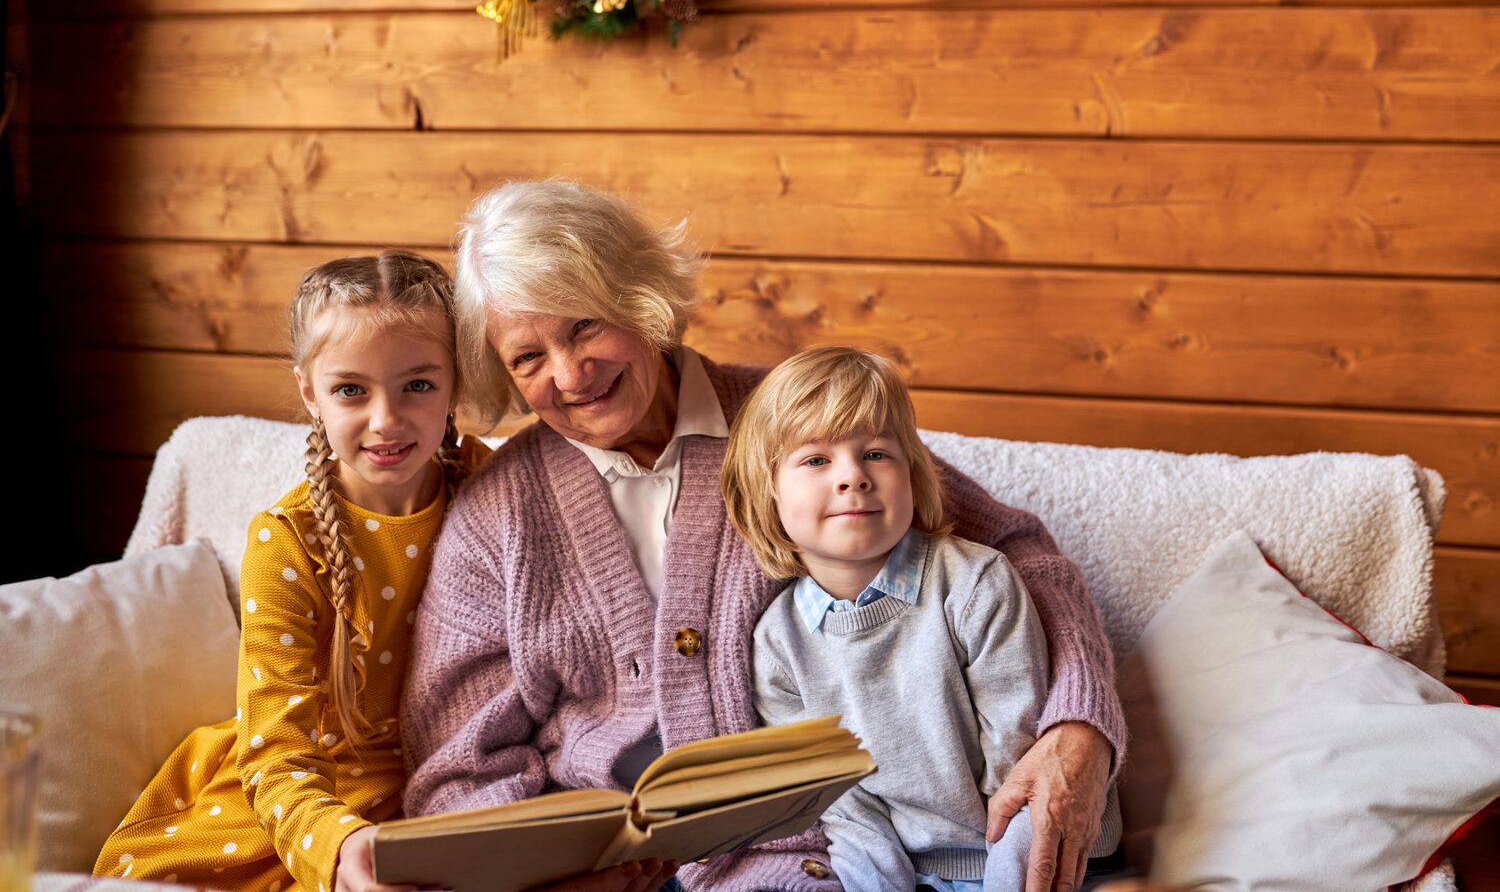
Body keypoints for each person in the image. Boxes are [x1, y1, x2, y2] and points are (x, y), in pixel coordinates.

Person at [402, 181, 1125, 892]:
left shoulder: (799, 422)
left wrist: (1079, 725)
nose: (569, 373)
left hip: (825, 852)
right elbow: (458, 767)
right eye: (527, 358)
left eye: (584, 325)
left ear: (638, 294)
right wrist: (542, 876)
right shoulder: (495, 520)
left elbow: (1018, 552)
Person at [96, 252, 485, 892]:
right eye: (350, 389)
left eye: (417, 384)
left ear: (456, 381)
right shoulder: (287, 541)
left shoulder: (490, 485)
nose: (386, 419)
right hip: (307, 797)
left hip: (451, 782)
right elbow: (278, 748)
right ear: (310, 391)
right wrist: (335, 844)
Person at [727, 346, 1120, 891]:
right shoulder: (776, 644)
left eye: (877, 454)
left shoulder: (976, 584)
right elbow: (844, 808)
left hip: (1039, 860)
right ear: (768, 494)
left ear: (913, 472)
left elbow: (1022, 771)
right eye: (816, 460)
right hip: (913, 872)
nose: (853, 477)